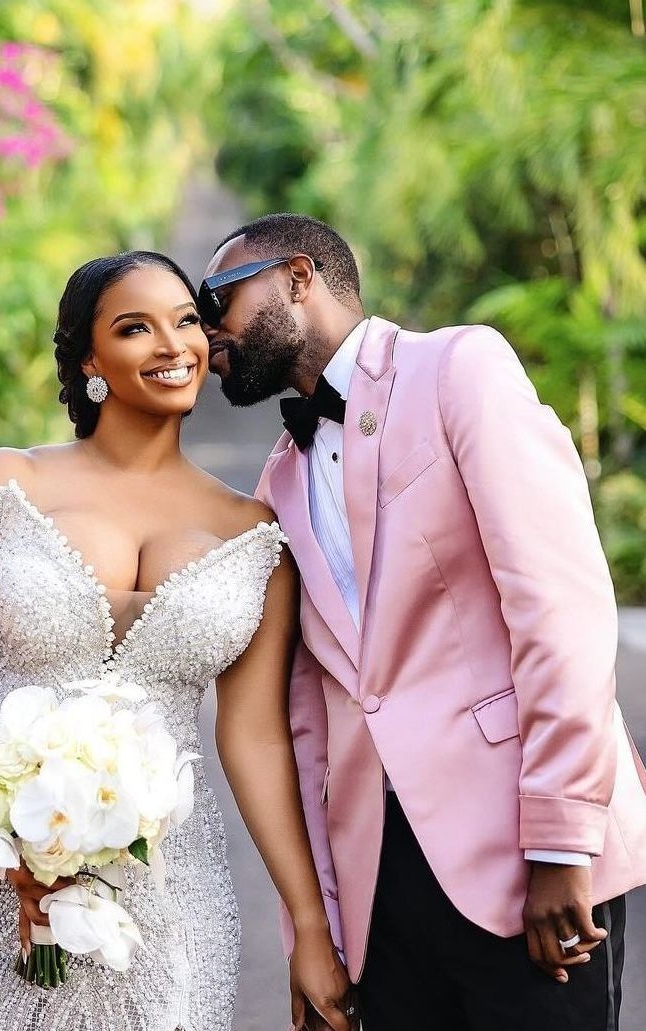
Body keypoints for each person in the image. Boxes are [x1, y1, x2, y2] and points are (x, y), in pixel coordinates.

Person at [201, 213, 646, 1031]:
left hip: (517, 846)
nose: (206, 333)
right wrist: (320, 931)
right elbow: (307, 722)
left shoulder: (457, 369)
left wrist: (558, 842)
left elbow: (557, 605)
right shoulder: (277, 485)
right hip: (382, 891)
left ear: (297, 278)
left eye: (215, 300)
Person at [0, 251, 355, 1031]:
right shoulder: (8, 481)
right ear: (88, 359)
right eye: (135, 328)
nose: (172, 344)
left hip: (168, 879)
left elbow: (255, 740)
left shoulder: (255, 529)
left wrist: (310, 926)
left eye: (186, 321)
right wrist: (10, 850)